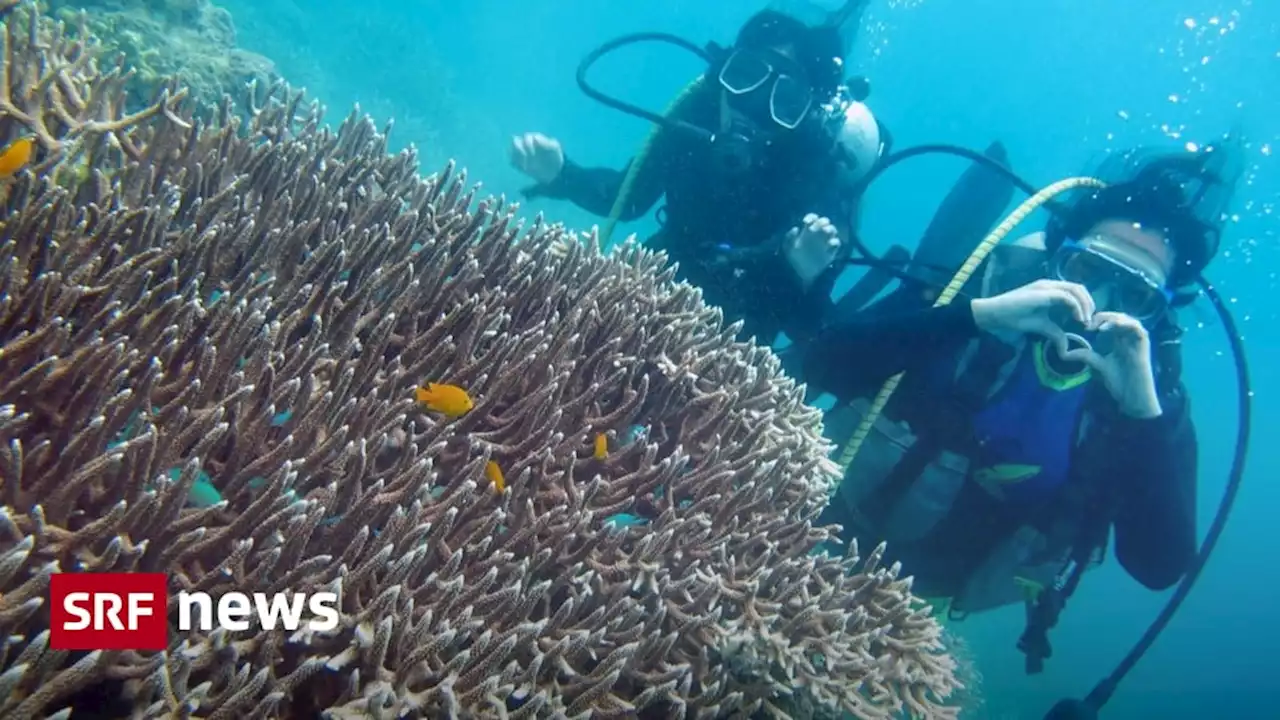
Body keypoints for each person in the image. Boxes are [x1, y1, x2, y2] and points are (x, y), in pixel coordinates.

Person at [803, 137, 1243, 673]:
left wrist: (1143, 414)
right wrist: (974, 318)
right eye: (1087, 273)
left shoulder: (1147, 402)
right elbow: (819, 363)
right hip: (813, 538)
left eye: (1135, 296)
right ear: (1058, 258)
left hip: (914, 616)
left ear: (1159, 315)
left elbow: (1159, 565)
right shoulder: (971, 299)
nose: (1097, 308)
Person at [509, 4, 884, 347]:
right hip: (653, 279)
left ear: (801, 116)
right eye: (746, 76)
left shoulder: (813, 167)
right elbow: (626, 197)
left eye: (784, 100)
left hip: (739, 336)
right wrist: (562, 174)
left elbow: (807, 325)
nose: (752, 106)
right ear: (722, 73)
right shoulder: (697, 113)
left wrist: (800, 272)